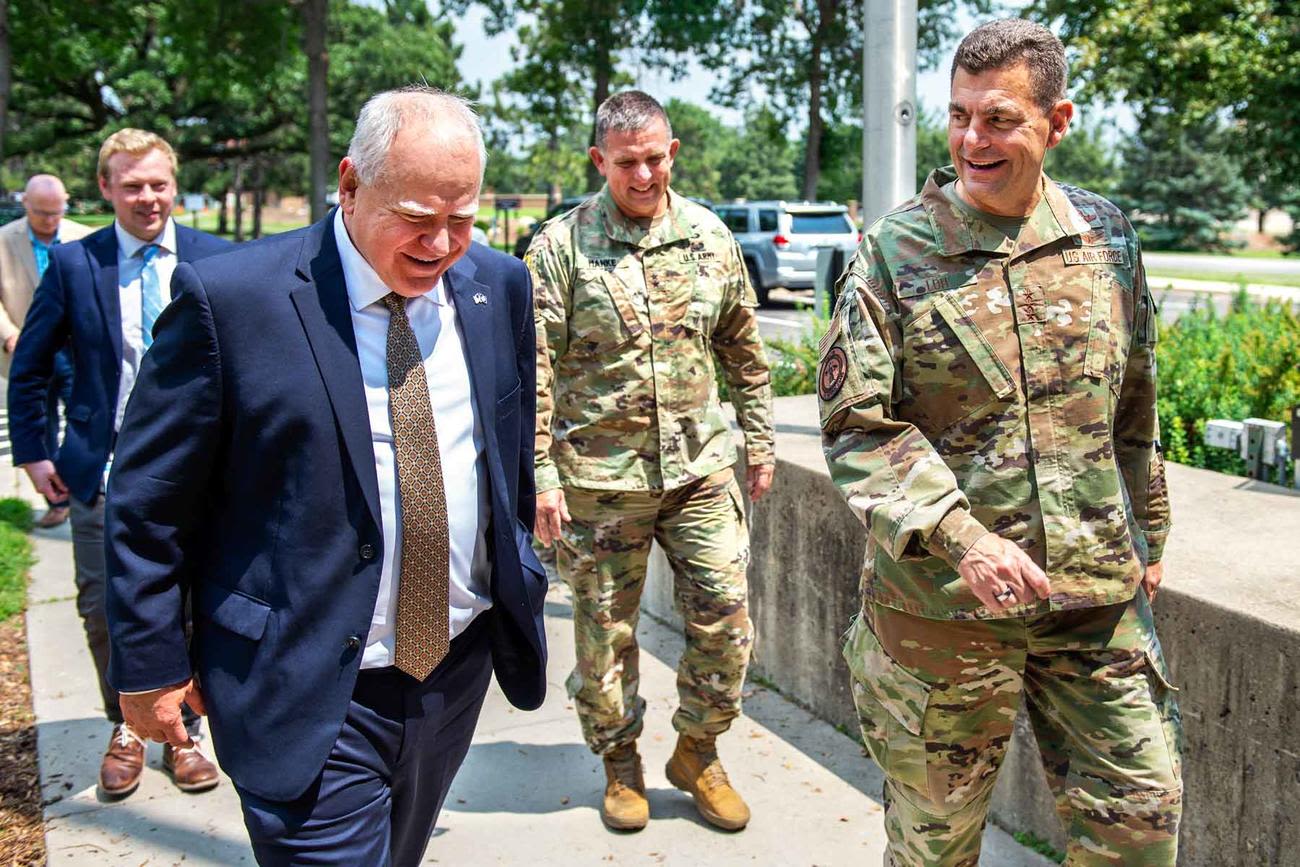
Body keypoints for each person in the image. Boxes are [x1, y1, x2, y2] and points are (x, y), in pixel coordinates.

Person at [103, 87, 546, 866]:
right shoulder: (234, 301)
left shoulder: (497, 286)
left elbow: (505, 450)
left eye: (463, 217)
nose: (442, 243)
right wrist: (150, 663)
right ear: (348, 184)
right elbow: (147, 500)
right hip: (303, 683)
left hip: (453, 669)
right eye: (416, 216)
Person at [819, 18, 1181, 866]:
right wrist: (962, 536)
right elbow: (856, 427)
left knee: (1143, 824)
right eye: (958, 116)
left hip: (1093, 599)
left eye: (999, 120)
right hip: (944, 609)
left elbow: (1134, 404)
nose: (971, 140)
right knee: (935, 846)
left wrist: (1150, 534)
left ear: (1058, 121)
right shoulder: (895, 250)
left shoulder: (1106, 238)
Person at [526, 90, 775, 833]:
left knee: (728, 621)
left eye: (655, 158)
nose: (644, 175)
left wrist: (759, 440)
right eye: (626, 162)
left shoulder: (707, 234)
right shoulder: (560, 247)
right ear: (600, 160)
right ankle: (620, 760)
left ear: (673, 152)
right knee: (605, 638)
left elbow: (743, 347)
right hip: (602, 484)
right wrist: (540, 473)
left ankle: (697, 749)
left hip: (699, 471)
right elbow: (533, 369)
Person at [8, 131, 230, 796]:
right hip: (102, 471)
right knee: (105, 607)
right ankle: (128, 725)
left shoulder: (218, 260)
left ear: (175, 185)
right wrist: (35, 451)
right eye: (132, 185)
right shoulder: (76, 265)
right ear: (106, 189)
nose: (148, 197)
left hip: (200, 475)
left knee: (194, 606)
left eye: (159, 183)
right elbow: (31, 367)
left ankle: (183, 729)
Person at [0, 174, 93, 528]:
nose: (50, 220)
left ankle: (81, 489)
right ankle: (55, 497)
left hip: (74, 351)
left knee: (82, 419)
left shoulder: (83, 237)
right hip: (27, 348)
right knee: (38, 426)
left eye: (57, 212)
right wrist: (10, 334)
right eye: (42, 213)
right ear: (25, 204)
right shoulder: (4, 241)